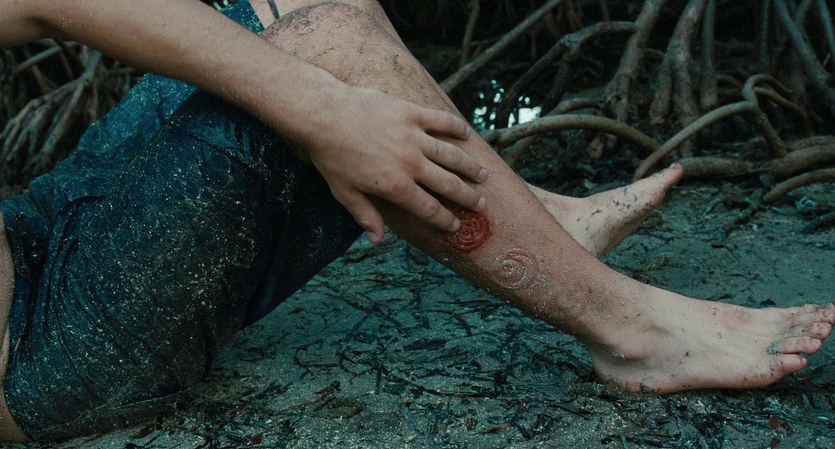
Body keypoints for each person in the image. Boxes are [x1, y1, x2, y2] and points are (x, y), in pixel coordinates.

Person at [0, 0, 832, 443]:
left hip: (39, 222)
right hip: (44, 352)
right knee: (331, 44)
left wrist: (323, 110)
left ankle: (540, 225)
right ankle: (630, 330)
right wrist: (322, 110)